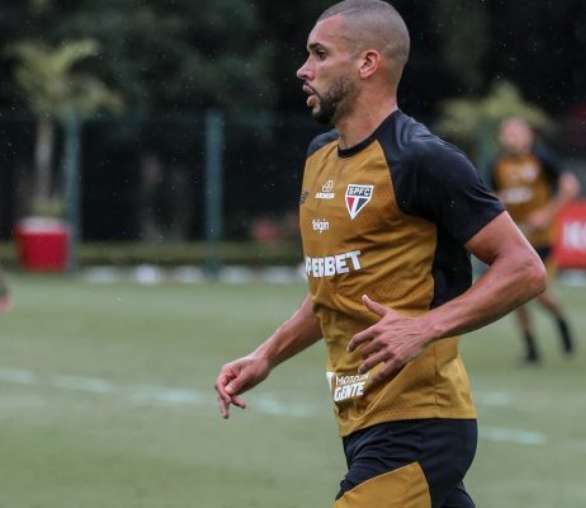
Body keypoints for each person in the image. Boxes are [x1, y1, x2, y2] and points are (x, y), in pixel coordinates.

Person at [214, 2, 546, 506]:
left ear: (368, 63)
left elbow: (524, 268)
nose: (303, 69)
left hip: (420, 423)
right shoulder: (319, 157)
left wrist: (425, 327)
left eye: (319, 54)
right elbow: (334, 289)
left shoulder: (422, 159)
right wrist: (266, 356)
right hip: (359, 421)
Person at [489, 117, 580, 365]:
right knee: (515, 296)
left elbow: (570, 187)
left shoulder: (543, 159)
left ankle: (560, 319)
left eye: (516, 133)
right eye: (507, 133)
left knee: (538, 292)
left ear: (528, 135)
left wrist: (546, 214)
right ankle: (531, 349)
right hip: (514, 241)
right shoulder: (497, 164)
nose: (511, 138)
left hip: (542, 239)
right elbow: (493, 196)